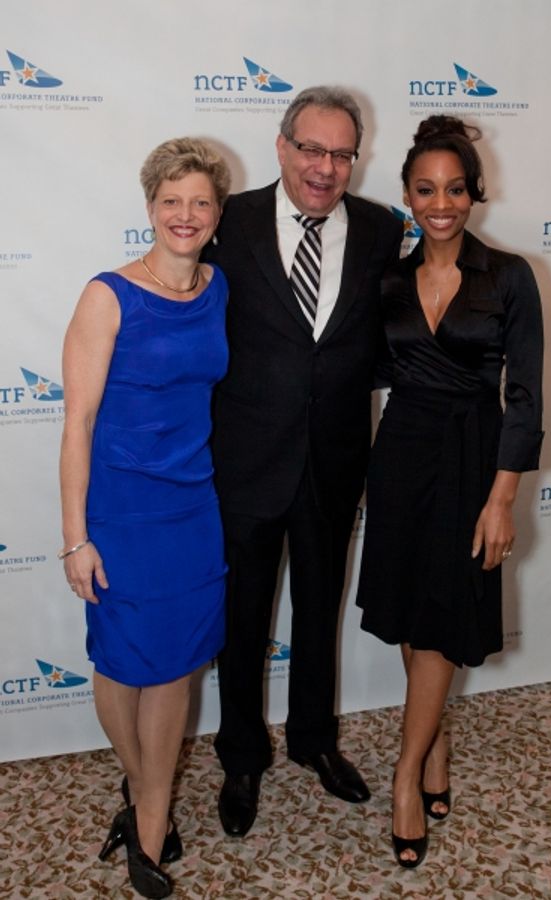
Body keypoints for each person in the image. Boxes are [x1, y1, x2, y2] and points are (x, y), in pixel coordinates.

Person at [204, 86, 403, 837]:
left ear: (357, 158)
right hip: (246, 464)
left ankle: (314, 741)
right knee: (242, 620)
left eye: (341, 153)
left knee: (318, 611)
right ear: (283, 146)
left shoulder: (383, 230)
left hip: (334, 462)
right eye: (312, 149)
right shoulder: (231, 220)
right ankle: (241, 757)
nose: (325, 167)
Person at [356, 115, 544, 868]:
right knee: (411, 605)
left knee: (440, 615)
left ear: (474, 193)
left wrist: (501, 498)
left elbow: (524, 396)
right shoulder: (391, 280)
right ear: (407, 194)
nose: (442, 203)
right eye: (427, 189)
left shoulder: (510, 277)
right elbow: (364, 370)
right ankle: (432, 750)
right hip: (400, 454)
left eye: (456, 189)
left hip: (472, 458)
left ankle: (406, 774)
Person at [59, 137, 231, 898]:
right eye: (171, 201)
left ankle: (151, 809)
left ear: (217, 211)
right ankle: (143, 790)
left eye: (199, 201)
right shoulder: (108, 294)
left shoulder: (218, 289)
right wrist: (76, 539)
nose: (184, 215)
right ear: (150, 207)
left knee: (176, 665)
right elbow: (78, 422)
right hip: (122, 512)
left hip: (194, 506)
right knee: (121, 662)